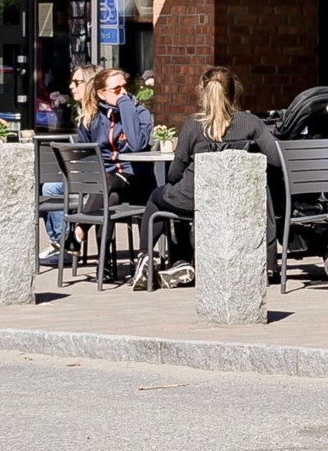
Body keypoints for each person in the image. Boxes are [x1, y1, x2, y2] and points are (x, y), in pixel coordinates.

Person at [139, 67, 283, 289]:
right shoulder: (251, 123)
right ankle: (181, 262)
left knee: (158, 197)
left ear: (203, 93)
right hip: (234, 201)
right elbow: (275, 159)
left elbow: (175, 172)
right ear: (234, 92)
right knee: (174, 197)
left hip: (193, 198)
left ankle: (149, 258)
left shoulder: (193, 124)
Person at [38, 64, 98, 265]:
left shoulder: (97, 116)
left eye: (77, 82)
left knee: (50, 187)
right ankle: (61, 242)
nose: (71, 86)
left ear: (90, 84)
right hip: (84, 177)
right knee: (45, 186)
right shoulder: (84, 115)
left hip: (95, 180)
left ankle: (62, 243)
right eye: (71, 82)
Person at [78, 67, 156, 209]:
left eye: (125, 87)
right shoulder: (91, 118)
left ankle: (78, 228)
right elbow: (84, 155)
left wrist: (125, 105)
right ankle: (82, 230)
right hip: (106, 182)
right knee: (112, 196)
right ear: (102, 94)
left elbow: (137, 145)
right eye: (117, 89)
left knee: (107, 180)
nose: (124, 92)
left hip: (137, 178)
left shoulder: (140, 113)